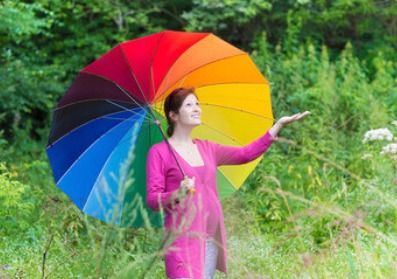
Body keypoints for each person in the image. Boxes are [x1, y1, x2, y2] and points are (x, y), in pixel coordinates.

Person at [146, 87, 310, 279]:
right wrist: (177, 194)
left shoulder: (208, 148)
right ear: (173, 115)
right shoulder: (159, 153)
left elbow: (245, 153)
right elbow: (152, 200)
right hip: (182, 242)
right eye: (189, 105)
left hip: (209, 238)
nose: (197, 108)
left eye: (197, 104)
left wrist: (277, 126)